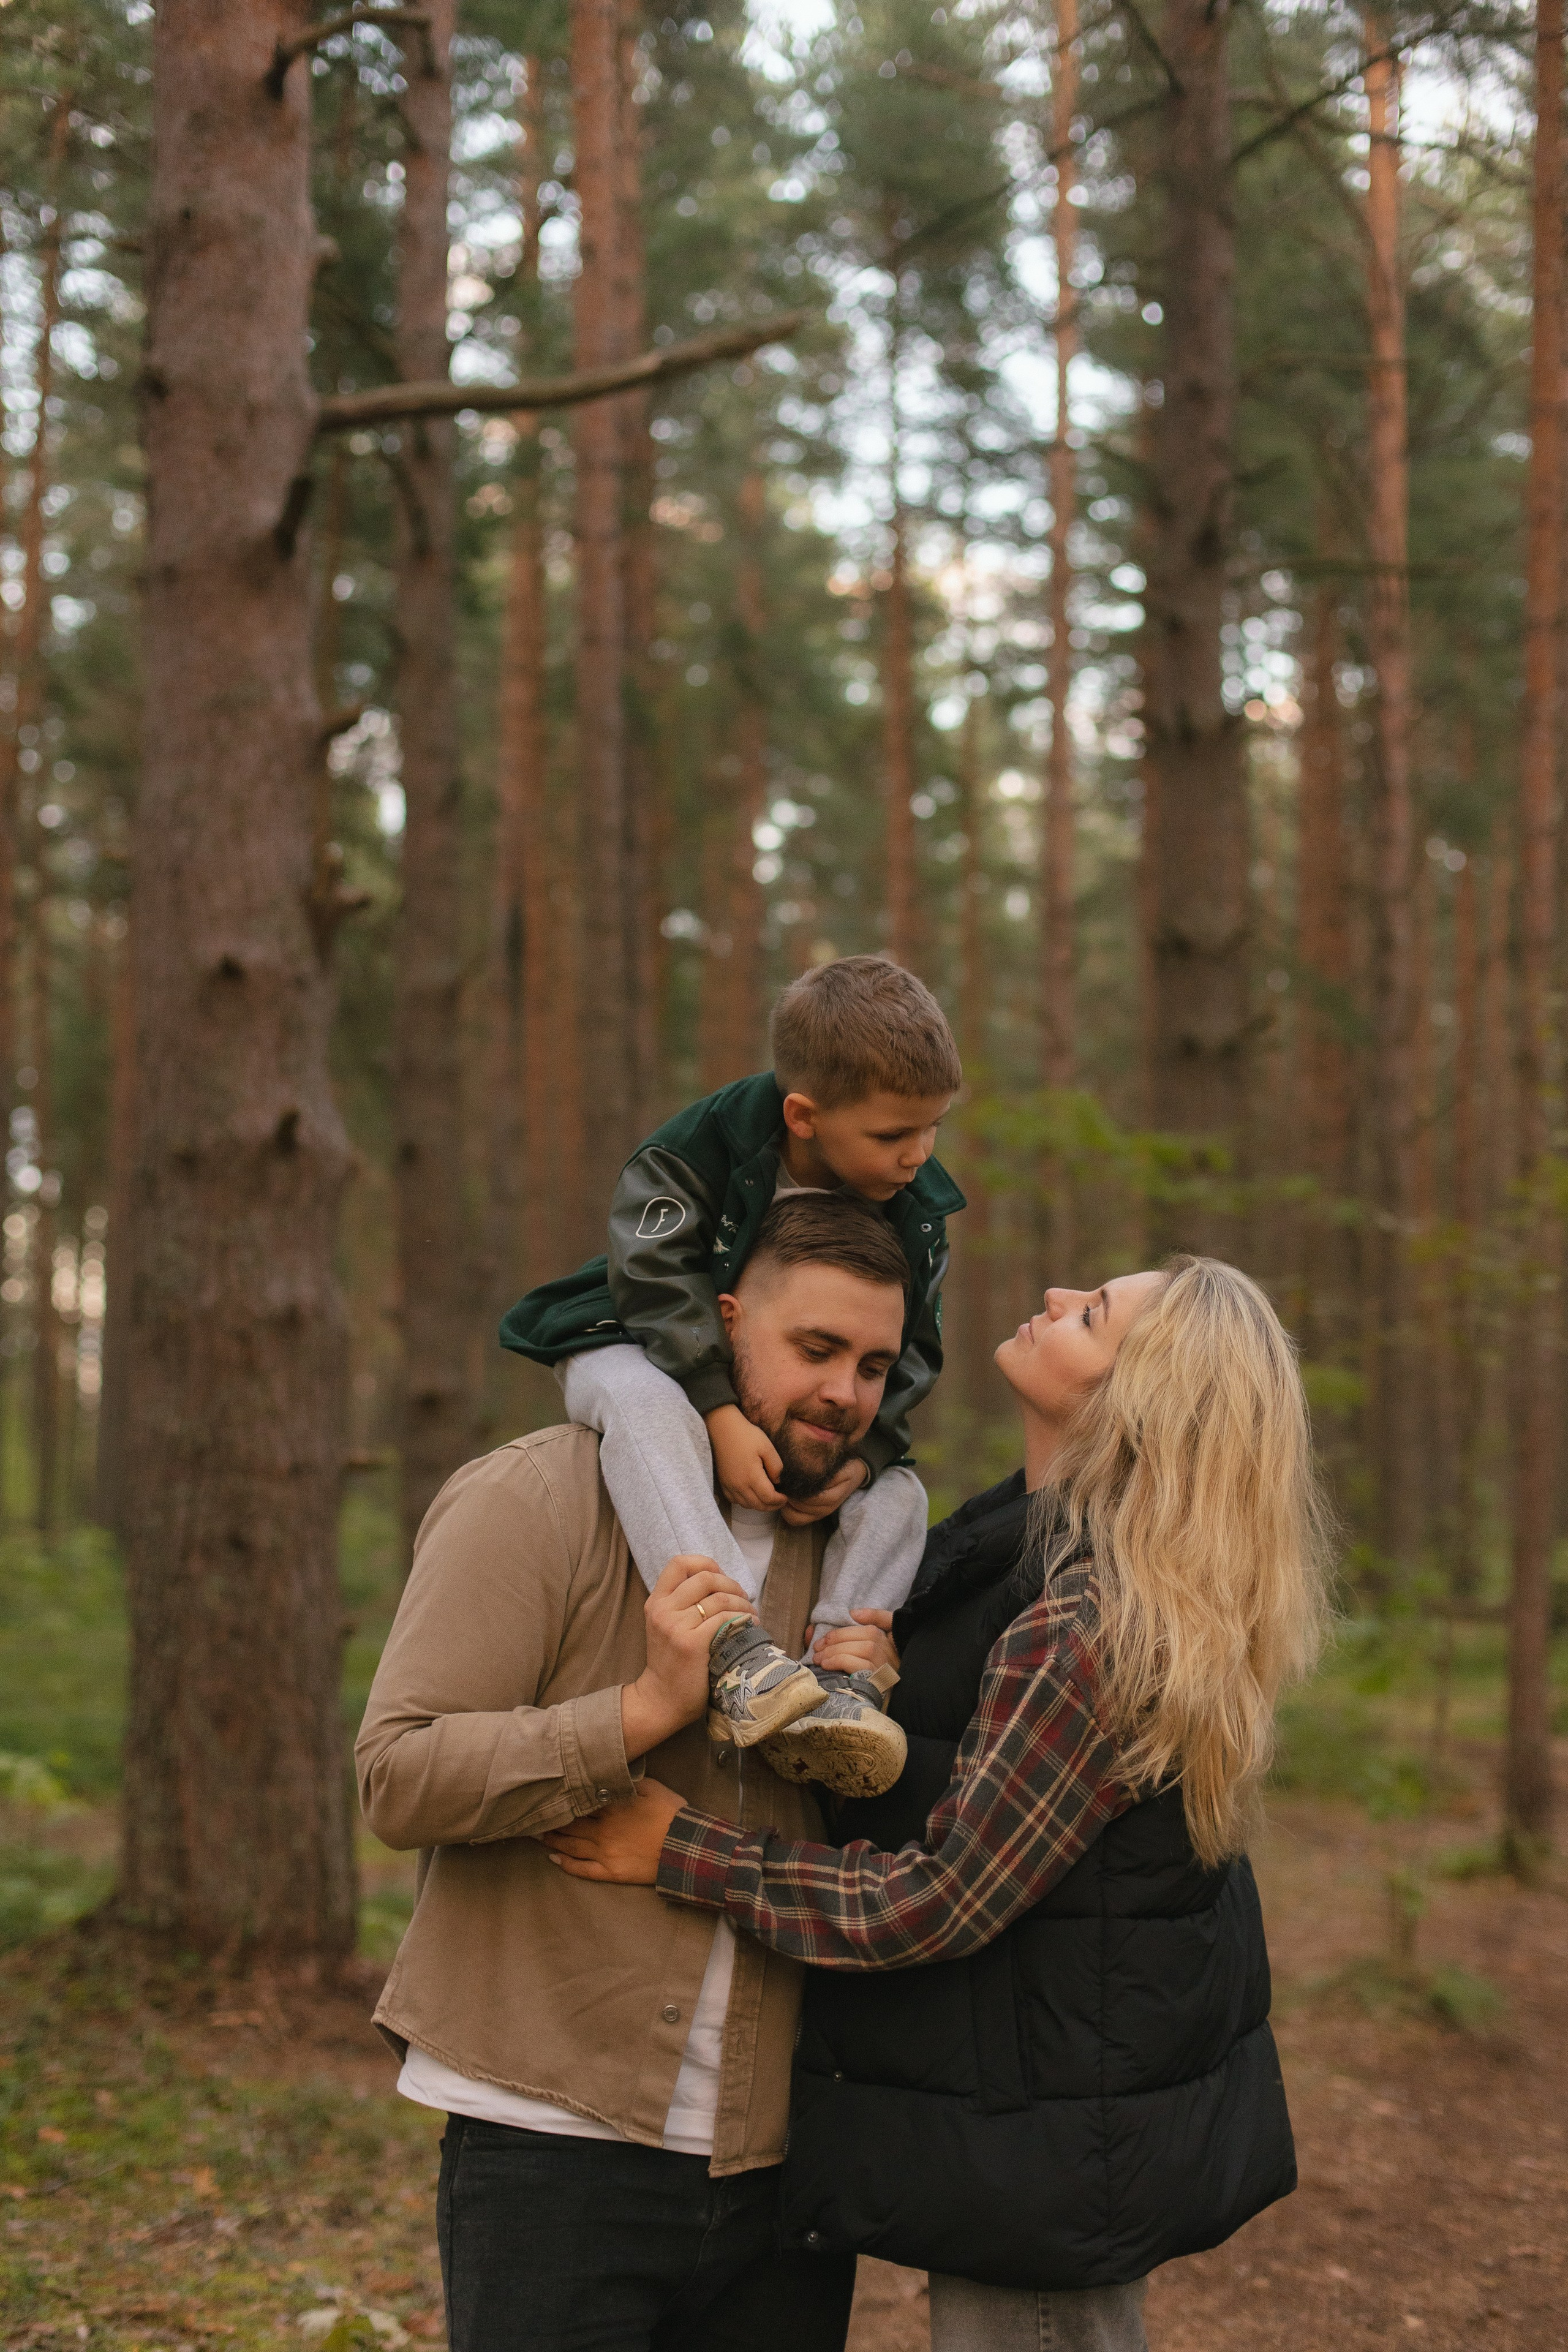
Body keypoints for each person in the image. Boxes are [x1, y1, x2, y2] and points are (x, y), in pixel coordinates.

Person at [545, 1257, 1333, 2352]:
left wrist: (685, 1849)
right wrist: (889, 1672)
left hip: (1048, 2147)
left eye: (1092, 1315)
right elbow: (1001, 1783)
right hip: (1050, 2104)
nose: (1058, 1296)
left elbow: (940, 1897)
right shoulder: (1041, 1551)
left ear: (1136, 1398)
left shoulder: (1090, 1620)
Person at [356, 1193, 915, 2352]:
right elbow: (397, 1780)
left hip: (784, 2157)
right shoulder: (540, 1497)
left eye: (873, 1364)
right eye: (814, 1349)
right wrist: (638, 1712)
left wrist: (884, 1698)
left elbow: (905, 1863)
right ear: (721, 1326)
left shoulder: (867, 1560)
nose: (844, 1394)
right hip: (551, 2140)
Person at [499, 954, 964, 1798]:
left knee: (901, 1494)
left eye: (933, 1129)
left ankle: (838, 1682)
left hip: (773, 1395)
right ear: (804, 1116)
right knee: (647, 1404)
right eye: (894, 1136)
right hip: (629, 1337)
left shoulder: (920, 1207)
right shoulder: (701, 1147)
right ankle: (733, 1650)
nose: (918, 1156)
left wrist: (868, 1456)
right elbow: (651, 1278)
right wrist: (715, 1410)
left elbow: (917, 1347)